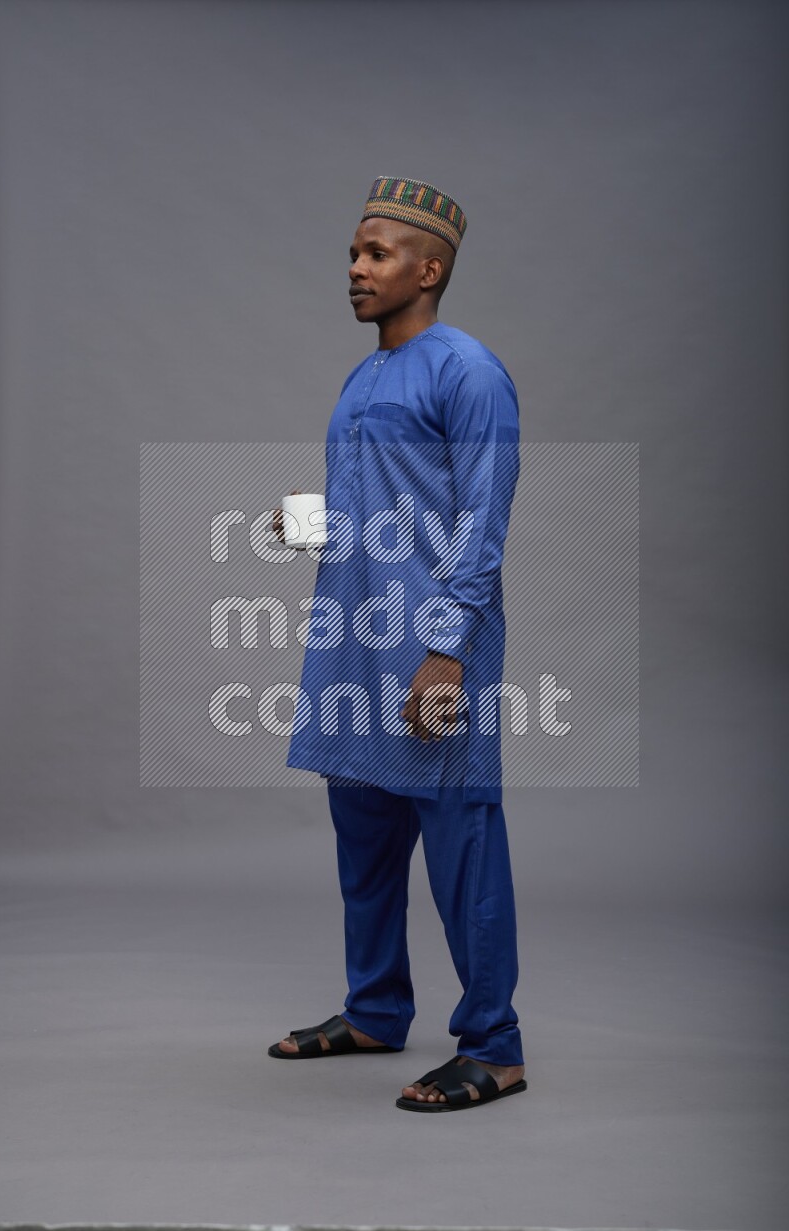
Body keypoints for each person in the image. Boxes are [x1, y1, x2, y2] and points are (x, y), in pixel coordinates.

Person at [270, 177, 526, 1112]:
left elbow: (482, 522)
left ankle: (494, 1045)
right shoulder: (364, 376)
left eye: (375, 254)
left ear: (431, 268)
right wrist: (307, 524)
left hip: (429, 646)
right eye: (352, 253)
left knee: (459, 843)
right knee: (365, 841)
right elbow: (378, 509)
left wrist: (448, 650)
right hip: (352, 640)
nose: (355, 269)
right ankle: (376, 1007)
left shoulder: (470, 371)